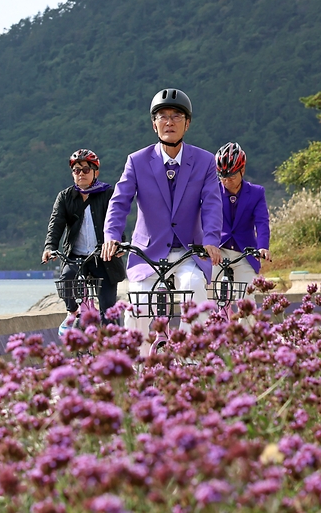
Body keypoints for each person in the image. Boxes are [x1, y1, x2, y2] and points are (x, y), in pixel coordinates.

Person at [101, 88, 223, 354]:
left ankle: (193, 360)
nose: (169, 121)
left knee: (193, 290)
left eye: (177, 115)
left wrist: (212, 240)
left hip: (189, 250)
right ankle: (134, 365)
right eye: (162, 116)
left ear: (187, 123)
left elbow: (213, 203)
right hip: (148, 252)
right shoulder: (137, 161)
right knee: (138, 303)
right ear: (154, 123)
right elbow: (120, 202)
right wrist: (111, 235)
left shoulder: (204, 161)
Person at [42, 149, 126, 335]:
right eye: (76, 170)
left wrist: (119, 243)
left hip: (102, 257)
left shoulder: (108, 193)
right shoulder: (65, 197)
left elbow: (117, 221)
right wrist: (50, 247)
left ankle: (114, 349)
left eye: (86, 170)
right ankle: (73, 312)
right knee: (66, 281)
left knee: (108, 308)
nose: (81, 174)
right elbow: (56, 224)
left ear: (96, 172)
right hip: (75, 256)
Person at [214, 142, 271, 283]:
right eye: (223, 177)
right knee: (208, 288)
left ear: (242, 170)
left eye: (232, 178)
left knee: (247, 294)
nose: (227, 182)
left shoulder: (256, 193)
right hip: (218, 250)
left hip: (245, 252)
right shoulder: (212, 191)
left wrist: (262, 246)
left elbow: (262, 222)